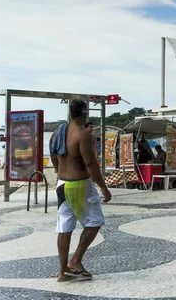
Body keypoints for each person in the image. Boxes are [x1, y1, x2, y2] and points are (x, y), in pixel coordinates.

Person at [49, 99, 112, 282]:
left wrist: (60, 171)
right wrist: (103, 187)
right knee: (95, 221)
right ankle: (75, 260)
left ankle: (63, 273)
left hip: (62, 184)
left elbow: (53, 157)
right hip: (79, 185)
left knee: (64, 228)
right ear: (85, 113)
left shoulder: (56, 134)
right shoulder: (82, 135)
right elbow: (91, 164)